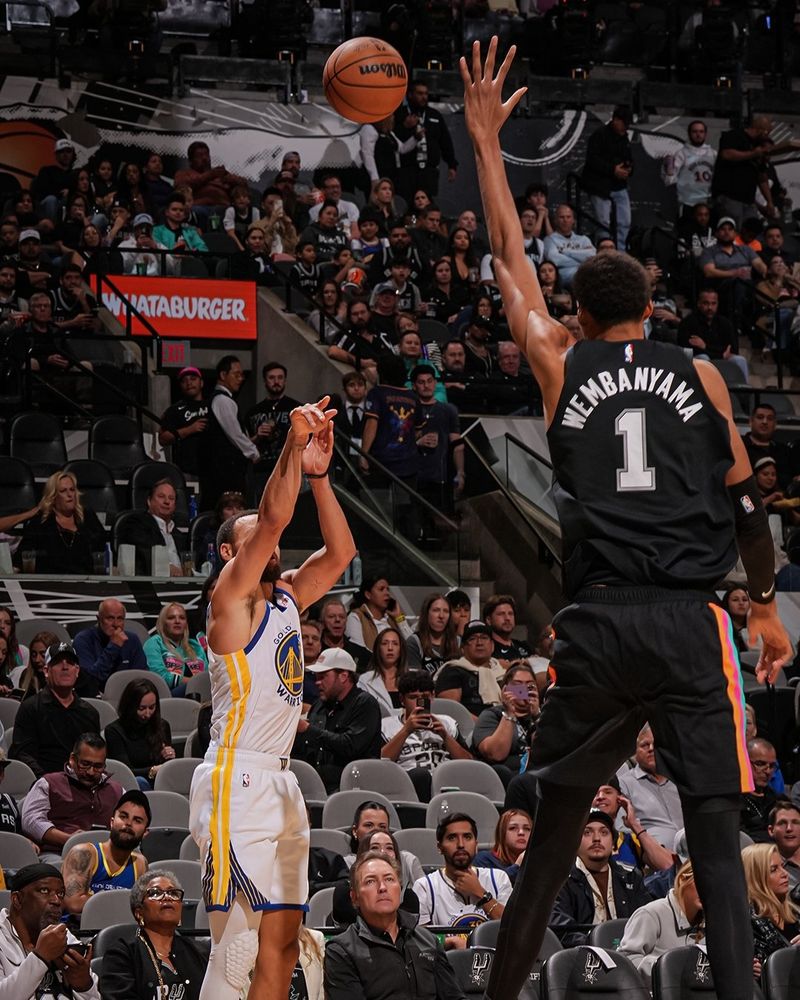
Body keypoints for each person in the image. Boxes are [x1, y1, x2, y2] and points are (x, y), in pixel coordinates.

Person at [460, 38, 790, 1000]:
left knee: (556, 837)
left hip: (600, 621)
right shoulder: (703, 373)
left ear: (577, 308)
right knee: (723, 846)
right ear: (651, 306)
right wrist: (763, 601)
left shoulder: (559, 361)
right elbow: (743, 495)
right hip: (694, 620)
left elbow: (508, 255)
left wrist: (486, 141)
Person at [188, 395, 355, 1000]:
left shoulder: (286, 597)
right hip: (236, 779)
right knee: (237, 946)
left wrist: (320, 477)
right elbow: (276, 517)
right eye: (253, 530)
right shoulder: (229, 600)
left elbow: (341, 555)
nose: (269, 532)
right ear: (231, 553)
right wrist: (291, 441)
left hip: (282, 782)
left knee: (282, 947)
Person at [324, 852, 467, 1000]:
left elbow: (454, 996)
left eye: (389, 879)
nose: (382, 887)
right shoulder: (341, 951)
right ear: (354, 898)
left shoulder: (427, 940)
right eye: (370, 881)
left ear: (400, 889)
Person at [99, 869, 207, 1000]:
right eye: (155, 893)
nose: (167, 897)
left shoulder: (198, 952)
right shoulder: (122, 955)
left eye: (173, 893)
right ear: (139, 912)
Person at [550, 810, 651, 946]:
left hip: (629, 951)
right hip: (583, 955)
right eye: (587, 832)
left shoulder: (631, 876)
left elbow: (645, 921)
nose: (597, 838)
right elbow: (560, 929)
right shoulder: (561, 879)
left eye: (604, 832)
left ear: (613, 842)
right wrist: (597, 945)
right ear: (575, 840)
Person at [0, 862, 98, 1000]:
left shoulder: (65, 936)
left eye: (61, 893)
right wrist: (40, 957)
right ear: (17, 900)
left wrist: (84, 986)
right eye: (44, 891)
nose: (56, 900)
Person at [412, 812, 512, 945]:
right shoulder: (425, 886)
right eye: (452, 838)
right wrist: (449, 942)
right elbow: (419, 940)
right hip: (446, 963)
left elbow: (512, 930)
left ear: (476, 845)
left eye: (467, 837)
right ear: (439, 847)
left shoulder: (498, 878)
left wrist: (481, 894)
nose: (460, 844)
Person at [21, 733, 123, 862]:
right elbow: (31, 821)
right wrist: (69, 839)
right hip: (58, 853)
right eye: (85, 764)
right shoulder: (48, 783)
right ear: (72, 759)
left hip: (105, 856)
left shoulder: (117, 791)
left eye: (98, 766)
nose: (91, 772)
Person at [292, 647, 382, 793]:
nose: (317, 682)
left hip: (355, 786)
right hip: (319, 785)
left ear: (343, 676)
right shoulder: (319, 705)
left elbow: (350, 746)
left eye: (323, 676)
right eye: (316, 677)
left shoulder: (365, 703)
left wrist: (308, 730)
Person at [10, 641, 100, 777]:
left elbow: (94, 755)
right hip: (43, 784)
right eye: (58, 662)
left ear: (77, 671)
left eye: (70, 663)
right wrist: (50, 782)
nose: (65, 667)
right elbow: (23, 754)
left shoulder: (89, 713)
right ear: (46, 671)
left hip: (81, 783)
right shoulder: (31, 708)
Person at [381, 671, 472, 801]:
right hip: (408, 783)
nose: (419, 703)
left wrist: (445, 736)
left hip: (445, 784)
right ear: (402, 699)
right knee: (420, 775)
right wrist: (406, 731)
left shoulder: (446, 723)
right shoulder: (387, 726)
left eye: (424, 697)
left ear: (432, 696)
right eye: (413, 697)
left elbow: (468, 763)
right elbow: (381, 763)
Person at [61, 789, 150, 917]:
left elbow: (142, 910)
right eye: (123, 816)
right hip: (80, 931)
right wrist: (125, 904)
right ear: (112, 822)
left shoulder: (140, 863)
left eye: (137, 820)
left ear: (145, 832)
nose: (128, 823)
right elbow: (73, 904)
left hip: (119, 932)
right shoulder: (84, 853)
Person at [618, 860, 705, 985]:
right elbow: (627, 960)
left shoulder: (713, 920)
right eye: (700, 882)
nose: (707, 889)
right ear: (682, 880)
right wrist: (667, 968)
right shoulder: (651, 914)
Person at [197, 355, 260, 509]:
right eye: (236, 374)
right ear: (223, 375)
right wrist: (253, 452)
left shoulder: (222, 399)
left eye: (242, 375)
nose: (240, 379)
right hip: (224, 470)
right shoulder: (222, 400)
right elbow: (235, 434)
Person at [332, 830, 422, 927]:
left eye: (389, 848)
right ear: (354, 897)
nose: (383, 852)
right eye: (374, 847)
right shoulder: (344, 894)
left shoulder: (409, 898)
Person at [617, 725, 685, 850]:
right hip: (653, 859)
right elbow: (622, 829)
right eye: (645, 745)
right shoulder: (624, 784)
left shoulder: (681, 779)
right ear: (635, 751)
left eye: (656, 744)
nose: (651, 749)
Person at [472, 663, 540, 785]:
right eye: (518, 685)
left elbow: (549, 751)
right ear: (505, 689)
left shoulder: (542, 716)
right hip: (506, 777)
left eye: (530, 685)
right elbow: (496, 755)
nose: (524, 690)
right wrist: (510, 713)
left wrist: (537, 717)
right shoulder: (491, 716)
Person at [244, 362, 301, 503]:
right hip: (261, 470)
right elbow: (244, 445)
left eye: (280, 377)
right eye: (272, 378)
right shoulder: (253, 412)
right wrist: (257, 436)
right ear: (265, 380)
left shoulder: (296, 409)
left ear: (285, 380)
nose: (276, 382)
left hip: (288, 469)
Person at [104, 678, 176, 788]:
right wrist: (152, 770)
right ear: (130, 707)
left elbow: (165, 768)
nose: (147, 714)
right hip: (132, 783)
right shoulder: (114, 731)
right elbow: (125, 772)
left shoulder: (162, 726)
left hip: (158, 781)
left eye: (152, 707)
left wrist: (169, 758)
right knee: (140, 782)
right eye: (141, 708)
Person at [590, 778, 674, 872]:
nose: (600, 796)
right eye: (595, 793)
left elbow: (668, 866)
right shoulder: (578, 841)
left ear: (620, 799)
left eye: (608, 792)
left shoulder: (633, 841)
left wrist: (635, 825)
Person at [394, 80, 458, 200]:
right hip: (407, 169)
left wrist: (452, 165)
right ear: (410, 95)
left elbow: (445, 142)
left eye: (426, 94)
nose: (424, 97)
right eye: (419, 93)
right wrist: (405, 127)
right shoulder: (400, 114)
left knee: (427, 205)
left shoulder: (435, 115)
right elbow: (391, 140)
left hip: (429, 171)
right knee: (406, 203)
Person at [581, 106, 633, 250]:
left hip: (618, 185)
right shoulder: (600, 135)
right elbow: (592, 160)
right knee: (603, 222)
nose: (626, 127)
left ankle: (621, 252)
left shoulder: (624, 138)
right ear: (615, 120)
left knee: (625, 221)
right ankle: (604, 251)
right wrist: (612, 169)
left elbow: (629, 158)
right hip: (600, 185)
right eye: (624, 123)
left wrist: (628, 169)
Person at [742, 842, 800, 966]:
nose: (785, 874)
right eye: (774, 870)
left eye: (782, 866)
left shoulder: (794, 912)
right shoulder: (747, 923)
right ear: (756, 878)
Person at [72, 599, 147, 695]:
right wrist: (114, 646)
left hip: (128, 696)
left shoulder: (132, 640)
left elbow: (141, 677)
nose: (115, 624)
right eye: (110, 618)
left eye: (120, 618)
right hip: (95, 696)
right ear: (98, 619)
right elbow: (89, 682)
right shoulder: (83, 640)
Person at [115, 478, 186, 577]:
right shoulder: (136, 524)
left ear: (174, 506)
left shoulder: (179, 535)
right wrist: (166, 567)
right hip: (151, 585)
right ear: (149, 501)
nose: (167, 501)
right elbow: (143, 553)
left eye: (171, 498)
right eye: (161, 496)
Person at [434, 620, 504, 718]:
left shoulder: (506, 673)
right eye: (472, 639)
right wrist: (483, 726)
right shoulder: (452, 671)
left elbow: (523, 702)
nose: (479, 643)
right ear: (463, 648)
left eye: (484, 638)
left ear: (492, 646)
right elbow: (449, 711)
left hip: (506, 726)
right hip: (468, 730)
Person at [143, 603, 208, 693]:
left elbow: (207, 675)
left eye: (182, 618)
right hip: (168, 695)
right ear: (163, 622)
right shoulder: (154, 643)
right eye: (171, 618)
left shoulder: (195, 646)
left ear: (186, 623)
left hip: (201, 693)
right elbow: (160, 676)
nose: (177, 621)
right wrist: (194, 683)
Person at [158, 366, 209, 477]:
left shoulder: (213, 405)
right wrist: (190, 429)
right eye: (184, 381)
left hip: (212, 469)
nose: (189, 383)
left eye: (193, 379)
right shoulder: (174, 410)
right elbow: (162, 439)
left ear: (202, 383)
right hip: (185, 472)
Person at [661, 120, 717, 215]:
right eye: (694, 132)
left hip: (707, 201)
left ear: (705, 134)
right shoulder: (681, 154)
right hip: (687, 202)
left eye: (701, 131)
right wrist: (668, 169)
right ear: (689, 133)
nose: (698, 135)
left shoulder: (713, 154)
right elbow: (669, 180)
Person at [345, 577, 412, 653]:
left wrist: (400, 618)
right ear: (368, 595)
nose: (387, 593)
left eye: (388, 589)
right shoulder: (356, 617)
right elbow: (358, 652)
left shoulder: (391, 619)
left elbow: (413, 647)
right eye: (381, 589)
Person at [406, 592, 460, 675]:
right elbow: (414, 682)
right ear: (426, 613)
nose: (441, 616)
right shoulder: (414, 642)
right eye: (436, 610)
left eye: (446, 611)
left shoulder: (458, 642)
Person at [542, 205, 596, 287]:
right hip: (564, 277)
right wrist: (582, 260)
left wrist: (565, 252)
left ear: (573, 220)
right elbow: (555, 260)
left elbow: (592, 256)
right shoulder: (550, 240)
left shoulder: (583, 239)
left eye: (568, 217)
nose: (565, 220)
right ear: (555, 220)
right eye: (561, 217)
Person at [357, 627, 407, 716]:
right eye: (385, 643)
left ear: (401, 649)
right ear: (378, 649)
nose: (390, 648)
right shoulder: (365, 680)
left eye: (395, 644)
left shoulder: (412, 678)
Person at [474, 809, 531, 883]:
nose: (521, 832)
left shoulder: (537, 863)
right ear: (502, 833)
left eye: (527, 829)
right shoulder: (484, 859)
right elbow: (489, 888)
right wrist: (517, 866)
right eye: (513, 828)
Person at [318, 596, 371, 673]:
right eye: (331, 616)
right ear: (322, 622)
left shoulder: (360, 654)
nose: (337, 620)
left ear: (346, 621)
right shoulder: (315, 652)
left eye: (341, 617)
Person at [741, 738, 779, 842]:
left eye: (771, 766)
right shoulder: (734, 801)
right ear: (745, 761)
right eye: (760, 764)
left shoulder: (778, 801)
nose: (767, 771)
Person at [768, 801, 800, 892]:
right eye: (782, 823)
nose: (789, 828)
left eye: (795, 822)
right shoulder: (767, 867)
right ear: (771, 830)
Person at [18, 630, 57, 700]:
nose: (37, 660)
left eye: (43, 655)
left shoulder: (65, 678)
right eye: (34, 655)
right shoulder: (26, 676)